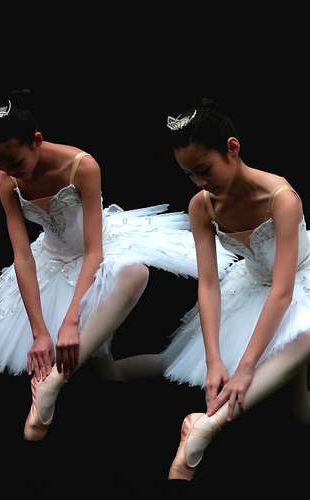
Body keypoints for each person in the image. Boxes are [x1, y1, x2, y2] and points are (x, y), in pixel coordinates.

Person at [0, 90, 234, 441]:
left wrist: (70, 319)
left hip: (99, 251)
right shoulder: (6, 180)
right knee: (104, 373)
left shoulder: (81, 166)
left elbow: (94, 251)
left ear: (37, 140)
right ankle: (162, 365)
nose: (8, 170)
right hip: (52, 259)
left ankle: (54, 383)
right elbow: (22, 255)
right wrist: (40, 332)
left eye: (14, 161)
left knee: (135, 273)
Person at [161, 99, 310, 480]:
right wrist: (215, 360)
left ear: (232, 148)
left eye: (204, 169)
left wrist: (244, 369)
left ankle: (208, 424)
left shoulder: (281, 198)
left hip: (297, 281)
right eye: (190, 174)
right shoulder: (202, 206)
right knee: (296, 404)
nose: (200, 182)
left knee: (304, 352)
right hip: (251, 286)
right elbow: (208, 283)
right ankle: (205, 425)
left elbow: (283, 290)